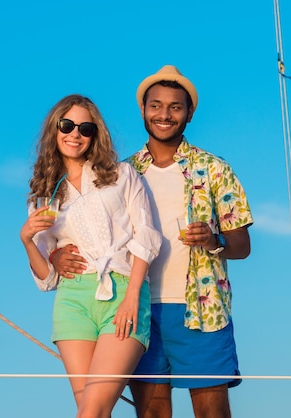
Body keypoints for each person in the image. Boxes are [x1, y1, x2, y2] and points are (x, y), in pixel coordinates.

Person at [51, 66, 253, 418]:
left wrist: (213, 239)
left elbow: (243, 245)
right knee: (151, 411)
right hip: (133, 306)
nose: (164, 114)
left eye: (175, 107)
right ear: (143, 111)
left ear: (189, 113)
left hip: (202, 310)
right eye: (155, 105)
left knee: (212, 410)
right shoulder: (118, 172)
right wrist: (55, 256)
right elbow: (83, 232)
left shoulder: (216, 169)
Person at [19, 94, 162, 418]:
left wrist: (132, 297)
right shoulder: (45, 193)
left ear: (96, 134)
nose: (75, 134)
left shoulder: (121, 175)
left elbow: (147, 235)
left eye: (85, 128)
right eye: (67, 125)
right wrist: (27, 239)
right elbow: (47, 279)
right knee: (90, 410)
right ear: (54, 130)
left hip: (123, 293)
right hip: (73, 301)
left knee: (91, 411)